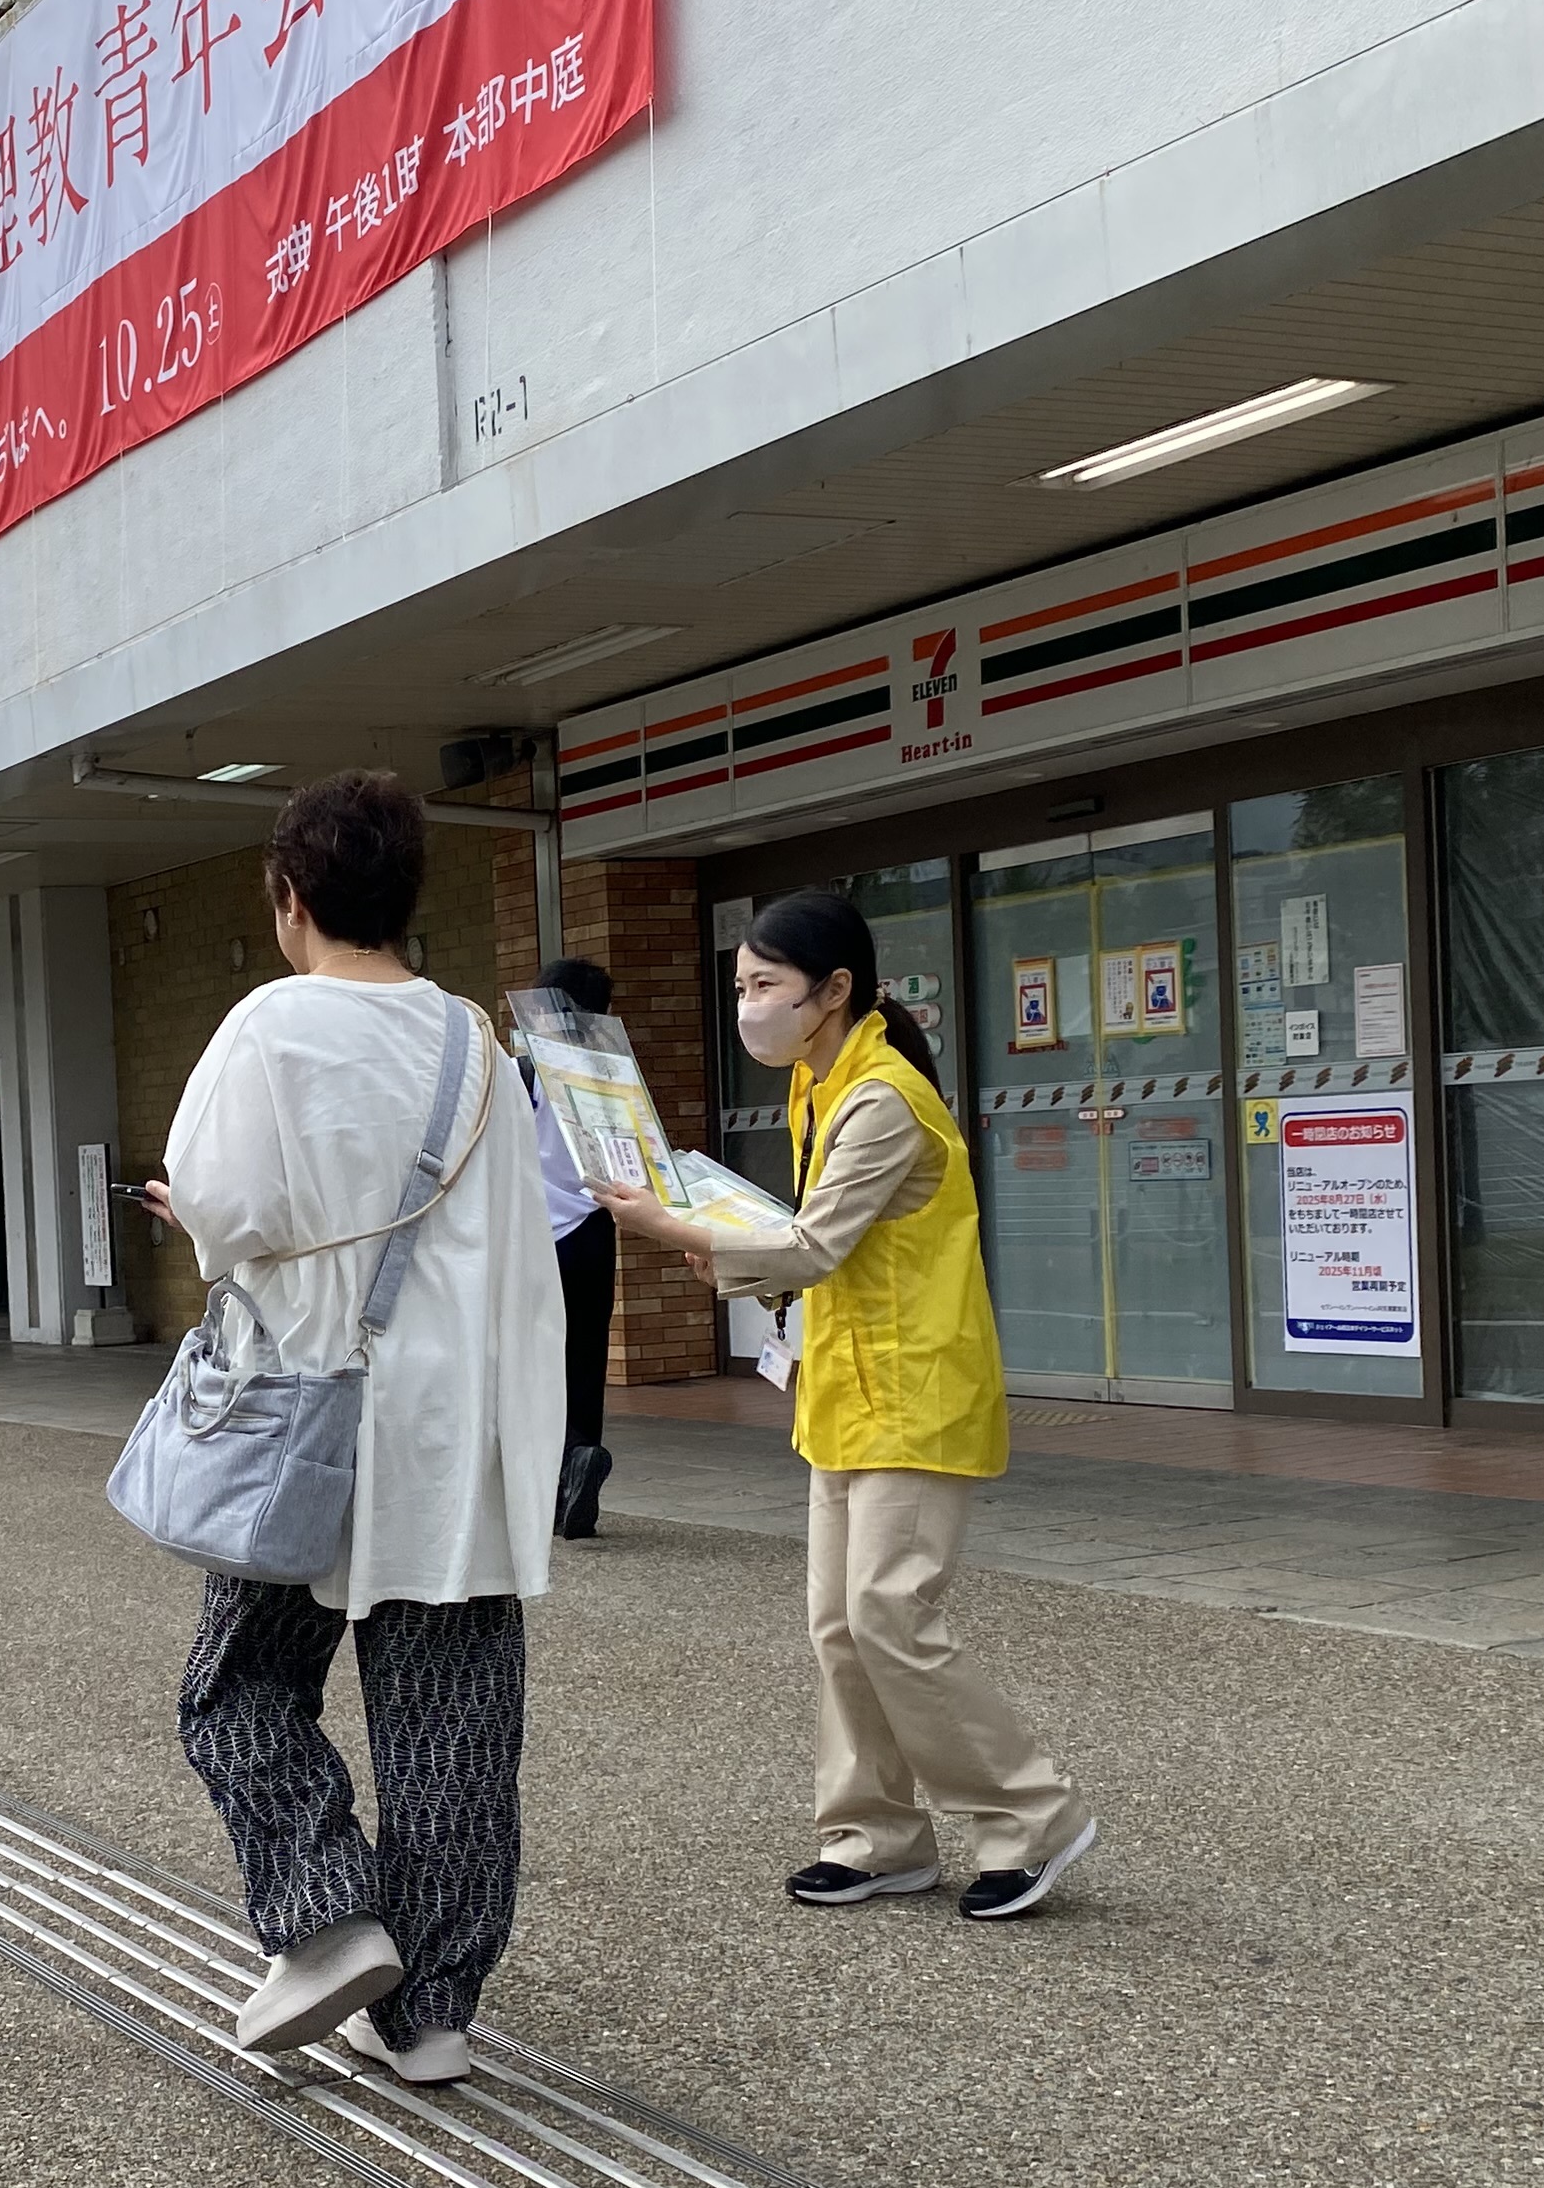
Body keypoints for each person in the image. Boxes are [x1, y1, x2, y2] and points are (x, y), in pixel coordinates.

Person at [143, 772, 564, 2086]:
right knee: (452, 1722)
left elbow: (223, 1203)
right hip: (460, 1434)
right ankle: (435, 2015)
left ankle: (325, 1917)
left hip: (311, 1420)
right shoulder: (475, 1046)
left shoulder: (271, 1028)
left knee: (239, 1685)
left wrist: (197, 1226)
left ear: (292, 897)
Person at [604, 888, 1096, 1924]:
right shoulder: (820, 1086)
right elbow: (827, 1247)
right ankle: (876, 1836)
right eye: (740, 986)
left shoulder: (878, 1097)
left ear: (833, 992)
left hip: (915, 1396)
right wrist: (729, 1260)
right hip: (849, 1391)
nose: (747, 1006)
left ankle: (1029, 1817)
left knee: (887, 1611)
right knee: (839, 1624)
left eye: (764, 986)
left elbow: (816, 1244)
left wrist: (671, 1229)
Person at [517, 956, 620, 1538]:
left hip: (537, 1233)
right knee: (586, 1356)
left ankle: (569, 1458)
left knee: (533, 1360)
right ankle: (580, 1474)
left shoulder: (523, 1072)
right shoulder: (610, 1074)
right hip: (594, 1228)